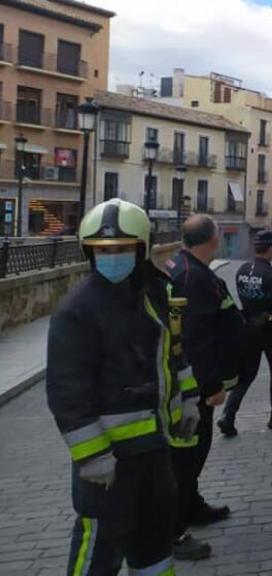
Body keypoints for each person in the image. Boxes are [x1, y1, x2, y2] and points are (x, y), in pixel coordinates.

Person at [47, 199, 192, 575]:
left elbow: (173, 354)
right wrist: (92, 455)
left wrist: (186, 403)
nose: (112, 256)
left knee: (154, 547)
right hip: (110, 462)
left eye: (122, 249)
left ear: (142, 248)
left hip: (155, 451)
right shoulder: (78, 309)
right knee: (98, 552)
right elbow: (66, 390)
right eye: (103, 251)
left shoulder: (153, 294)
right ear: (89, 253)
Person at [166, 214, 242, 560]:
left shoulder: (187, 269)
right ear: (212, 240)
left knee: (194, 452)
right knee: (186, 456)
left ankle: (190, 506)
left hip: (195, 386)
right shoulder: (190, 278)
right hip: (191, 390)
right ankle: (171, 530)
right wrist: (210, 385)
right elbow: (193, 339)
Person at [218, 230, 272, 437]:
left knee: (245, 375)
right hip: (271, 330)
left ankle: (228, 415)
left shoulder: (243, 270)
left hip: (248, 328)